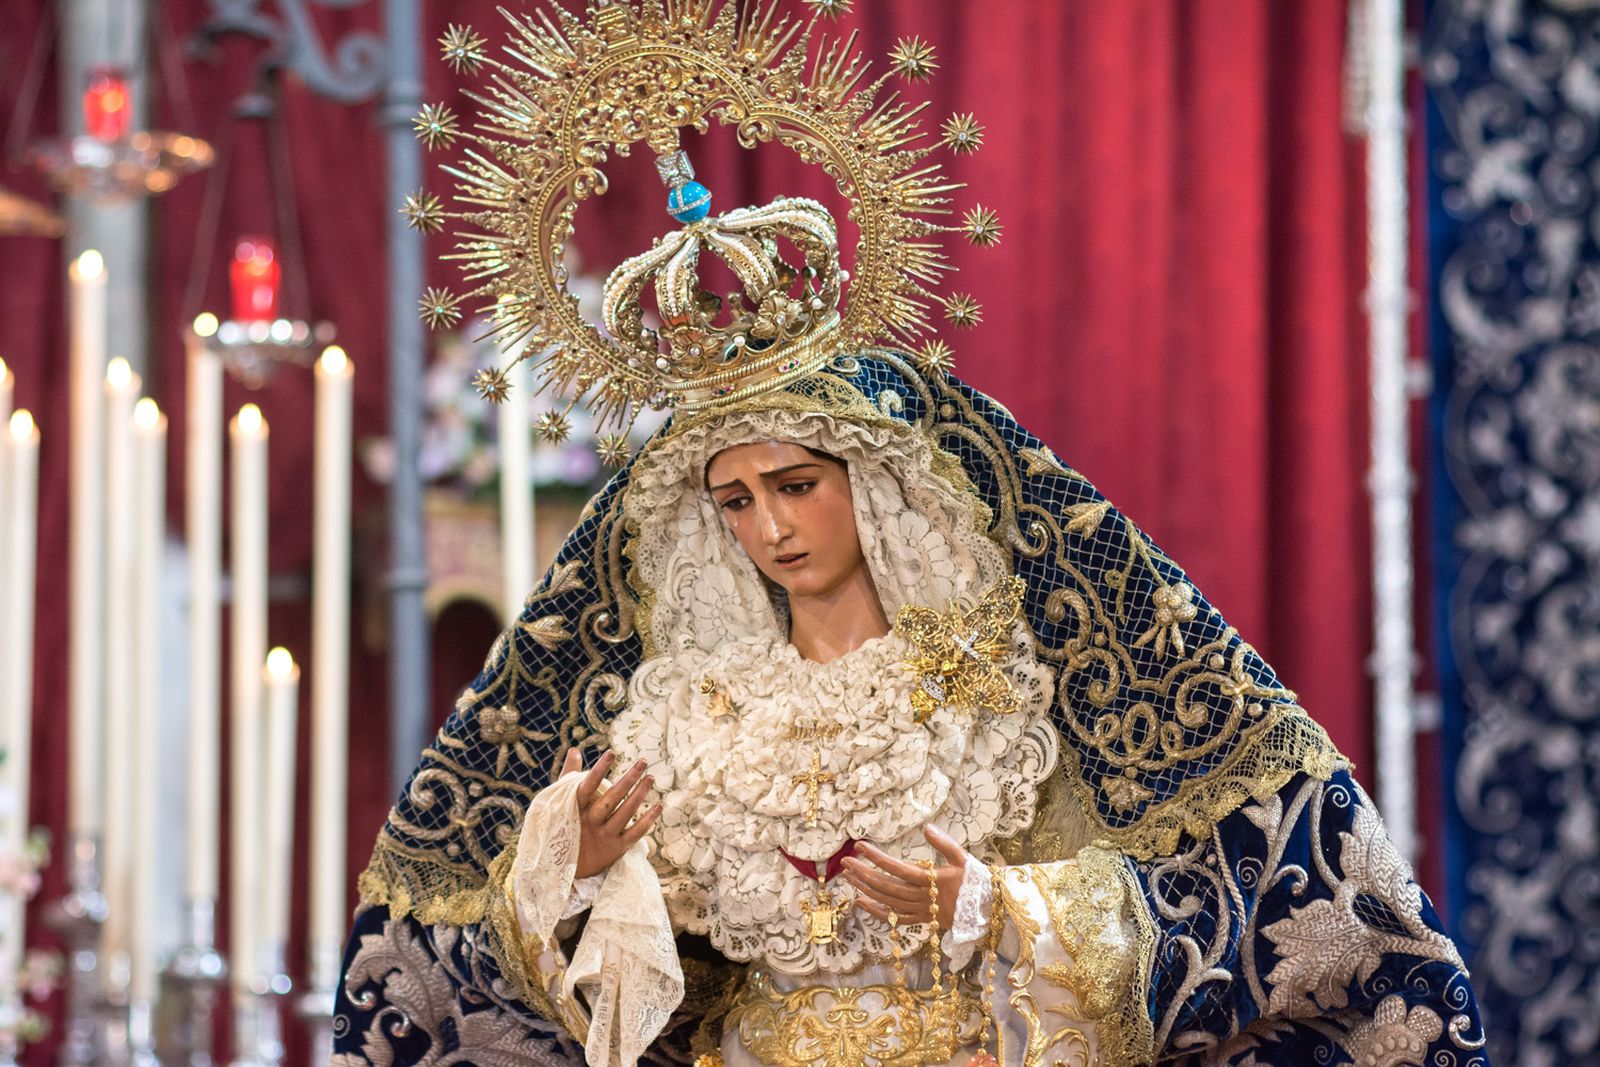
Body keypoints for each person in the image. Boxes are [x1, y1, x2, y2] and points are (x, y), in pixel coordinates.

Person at [333, 4, 1488, 1065]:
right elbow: (632, 1008)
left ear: (874, 483)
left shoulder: (1001, 683)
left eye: (794, 483)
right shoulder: (686, 714)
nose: (771, 528)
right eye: (734, 501)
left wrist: (1001, 910)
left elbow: (1237, 908)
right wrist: (578, 881)